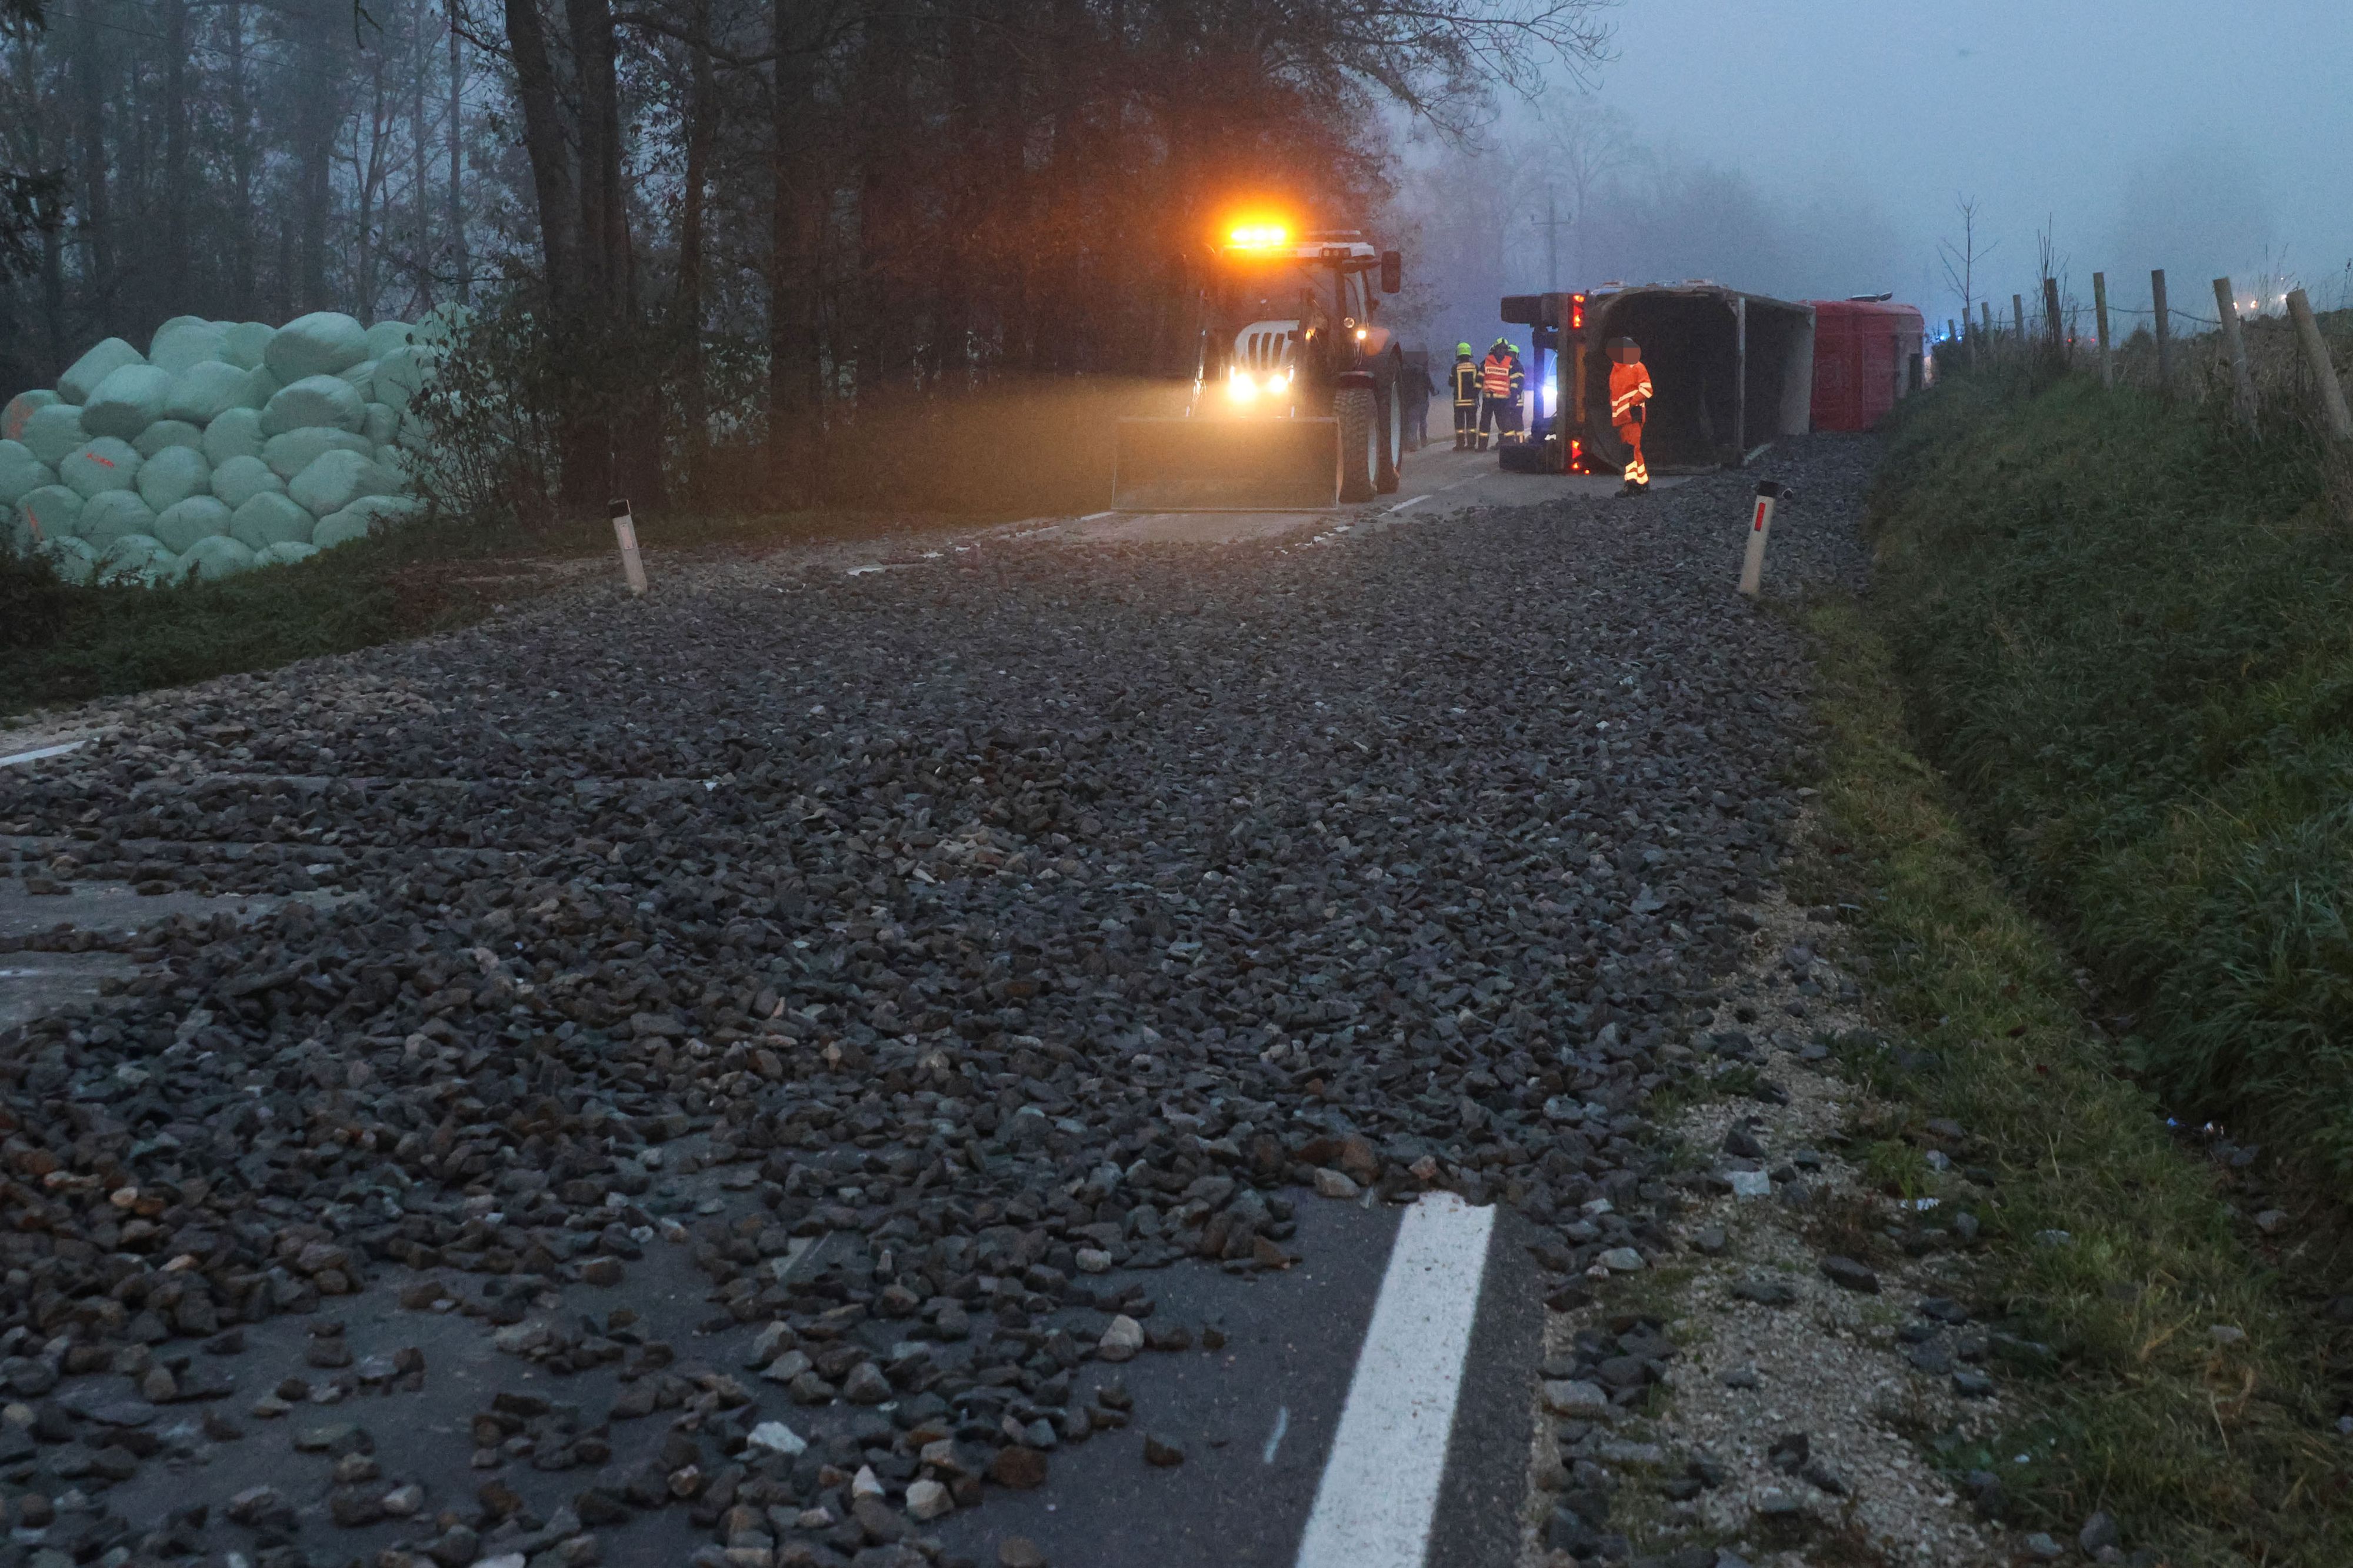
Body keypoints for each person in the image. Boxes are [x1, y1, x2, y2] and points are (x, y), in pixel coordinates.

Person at [1608, 336, 1654, 496]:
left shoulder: (1637, 367)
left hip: (1632, 415)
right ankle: (1641, 483)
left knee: (1631, 450)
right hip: (1623, 418)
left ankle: (1633, 484)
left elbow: (1647, 390)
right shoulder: (1616, 370)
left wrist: (1632, 404)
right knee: (1632, 450)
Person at [1478, 336, 1524, 451]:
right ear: (1495, 349)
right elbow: (1479, 379)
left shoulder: (1508, 363)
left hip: (1501, 400)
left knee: (1504, 423)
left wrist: (1513, 397)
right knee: (1487, 424)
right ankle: (1484, 446)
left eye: (1504, 349)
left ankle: (1508, 445)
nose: (1502, 352)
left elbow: (1514, 382)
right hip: (1493, 399)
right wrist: (1475, 394)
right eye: (1500, 349)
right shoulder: (1490, 362)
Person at [1450, 342, 1479, 449]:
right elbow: (1479, 382)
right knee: (1472, 424)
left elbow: (1451, 383)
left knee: (1459, 426)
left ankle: (1460, 444)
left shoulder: (1455, 367)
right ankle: (1471, 444)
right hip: (1472, 401)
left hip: (1459, 401)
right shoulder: (1475, 367)